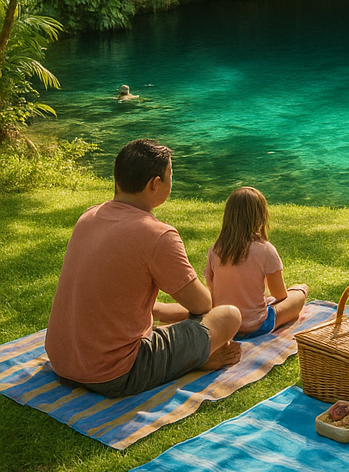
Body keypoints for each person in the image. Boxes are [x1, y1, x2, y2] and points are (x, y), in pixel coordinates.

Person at [44, 139, 242, 397]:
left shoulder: (89, 217)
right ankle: (195, 361)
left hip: (62, 362)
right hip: (116, 374)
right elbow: (202, 306)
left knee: (181, 318)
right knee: (228, 315)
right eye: (171, 175)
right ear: (155, 184)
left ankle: (190, 356)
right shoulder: (157, 235)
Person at [204, 187, 309, 338]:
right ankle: (300, 290)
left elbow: (213, 290)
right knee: (299, 293)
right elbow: (279, 295)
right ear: (261, 216)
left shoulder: (215, 249)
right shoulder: (265, 250)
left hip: (224, 324)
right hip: (256, 325)